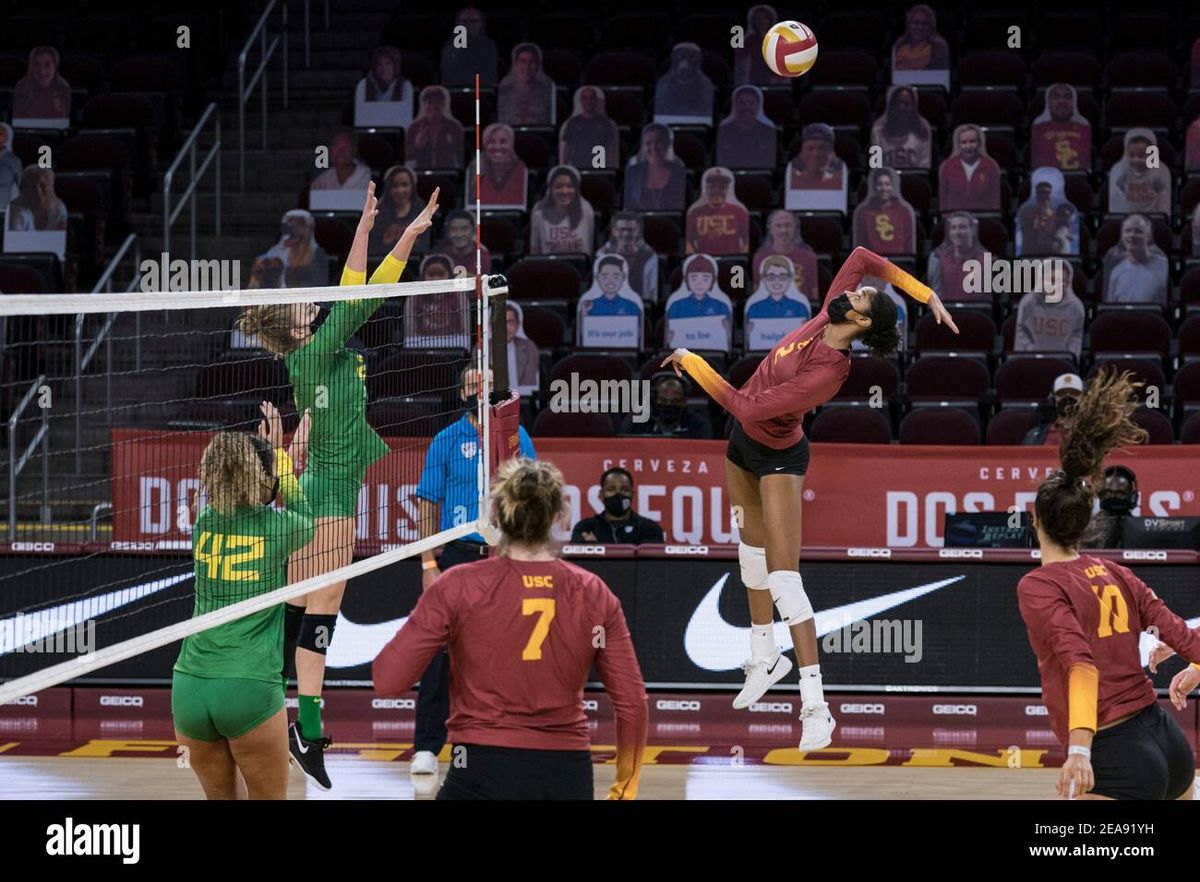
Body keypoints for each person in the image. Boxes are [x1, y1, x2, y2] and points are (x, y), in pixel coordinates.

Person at [661, 247, 956, 749]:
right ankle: (764, 656)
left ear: (861, 320)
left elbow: (745, 404)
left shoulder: (830, 370)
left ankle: (816, 707)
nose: (848, 290)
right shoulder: (827, 313)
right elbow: (865, 257)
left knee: (784, 579)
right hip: (740, 449)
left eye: (858, 296)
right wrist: (926, 295)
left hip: (779, 457)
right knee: (749, 560)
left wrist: (690, 360)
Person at [234, 183, 441, 789]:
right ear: (294, 329)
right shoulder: (312, 354)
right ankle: (295, 722)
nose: (314, 306)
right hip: (323, 494)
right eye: (303, 306)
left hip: (322, 486)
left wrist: (371, 225)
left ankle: (269, 712)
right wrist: (399, 237)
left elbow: (352, 293)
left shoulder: (316, 353)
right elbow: (364, 295)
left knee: (304, 609)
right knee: (316, 611)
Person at [375, 458, 647, 799]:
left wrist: (436, 621)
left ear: (495, 515)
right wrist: (624, 791)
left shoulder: (458, 585)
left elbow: (387, 680)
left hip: (478, 767)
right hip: (566, 772)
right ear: (560, 515)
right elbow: (633, 704)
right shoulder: (593, 591)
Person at [1017, 368, 1198, 800]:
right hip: (1171, 745)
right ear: (1085, 524)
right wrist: (1195, 667)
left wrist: (1079, 749)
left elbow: (1080, 664)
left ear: (1035, 520)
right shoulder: (1116, 571)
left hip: (1117, 751)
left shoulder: (1038, 585)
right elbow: (1181, 635)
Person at [172, 404, 312, 800]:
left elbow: (232, 500)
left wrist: (260, 460)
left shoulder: (203, 523)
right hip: (248, 686)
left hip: (190, 688)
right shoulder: (279, 528)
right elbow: (305, 517)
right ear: (260, 476)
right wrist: (281, 457)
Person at [408, 368, 538, 782]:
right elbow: (428, 506)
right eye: (469, 383)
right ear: (461, 391)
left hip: (503, 559)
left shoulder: (516, 437)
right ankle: (427, 747)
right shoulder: (445, 439)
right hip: (458, 557)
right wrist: (429, 564)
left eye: (484, 383)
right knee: (439, 655)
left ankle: (508, 740)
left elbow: (534, 501)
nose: (476, 389)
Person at [571, 466, 667, 542]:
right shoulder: (586, 528)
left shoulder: (650, 529)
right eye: (611, 489)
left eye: (624, 490)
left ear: (632, 494)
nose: (618, 494)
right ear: (601, 495)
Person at [1014, 261, 1085, 360]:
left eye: (1061, 281)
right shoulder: (1028, 303)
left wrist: (1069, 354)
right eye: (1052, 280)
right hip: (1031, 362)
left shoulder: (1076, 308)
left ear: (1067, 283)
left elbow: (1077, 335)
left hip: (1064, 364)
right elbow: (1021, 330)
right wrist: (1030, 350)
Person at [665, 254, 734, 352]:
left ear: (713, 280)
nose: (699, 283)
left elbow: (725, 340)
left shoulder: (721, 306)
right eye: (694, 278)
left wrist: (728, 333)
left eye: (705, 278)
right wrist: (669, 339)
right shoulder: (676, 306)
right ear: (686, 280)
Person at [744, 255, 812, 352]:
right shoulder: (754, 308)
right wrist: (748, 334)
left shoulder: (800, 307)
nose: (777, 282)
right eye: (771, 277)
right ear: (763, 279)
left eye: (782, 277)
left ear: (790, 279)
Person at [1102, 213, 1168, 307]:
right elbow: (1111, 310)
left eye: (1138, 231)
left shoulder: (1164, 266)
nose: (1132, 235)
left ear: (1148, 236)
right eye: (1127, 231)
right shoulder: (1116, 272)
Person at [577, 254, 643, 348]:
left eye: (616, 276)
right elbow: (584, 337)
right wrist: (584, 315)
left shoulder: (632, 306)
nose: (610, 281)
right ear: (597, 277)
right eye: (605, 276)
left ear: (623, 277)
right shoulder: (588, 306)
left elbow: (637, 336)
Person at [529, 165, 595, 256]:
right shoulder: (538, 212)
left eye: (570, 186)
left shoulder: (587, 210)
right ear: (550, 189)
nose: (564, 191)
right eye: (559, 186)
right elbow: (535, 251)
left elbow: (589, 248)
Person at [751, 210, 818, 298]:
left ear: (796, 228)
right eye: (778, 226)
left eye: (788, 225)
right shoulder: (760, 258)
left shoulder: (809, 257)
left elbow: (814, 293)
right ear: (770, 228)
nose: (783, 230)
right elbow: (756, 295)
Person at [926, 212, 990, 302]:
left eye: (962, 227)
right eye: (953, 228)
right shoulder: (937, 258)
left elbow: (986, 297)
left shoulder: (985, 259)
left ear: (973, 231)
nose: (957, 232)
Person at [371, 166, 433, 257]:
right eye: (395, 186)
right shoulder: (377, 212)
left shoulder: (422, 211)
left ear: (412, 186)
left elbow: (424, 246)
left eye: (404, 185)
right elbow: (373, 248)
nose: (400, 190)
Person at [623, 123, 687, 212]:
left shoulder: (680, 173)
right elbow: (628, 209)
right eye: (648, 143)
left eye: (659, 142)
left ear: (668, 144)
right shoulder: (632, 173)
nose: (654, 148)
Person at [685, 167, 749, 255]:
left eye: (722, 187)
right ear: (706, 188)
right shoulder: (694, 213)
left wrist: (739, 260)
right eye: (712, 187)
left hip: (732, 263)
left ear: (727, 190)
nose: (717, 191)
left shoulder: (740, 212)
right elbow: (688, 242)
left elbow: (747, 242)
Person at [1108, 128, 1171, 218]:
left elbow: (1162, 200)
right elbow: (1117, 201)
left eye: (1141, 156)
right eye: (1132, 155)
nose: (1136, 160)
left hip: (1152, 216)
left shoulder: (1160, 173)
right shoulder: (1120, 171)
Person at [785, 123, 847, 212]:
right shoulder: (793, 179)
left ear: (832, 154)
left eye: (822, 148)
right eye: (810, 148)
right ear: (801, 154)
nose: (816, 154)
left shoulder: (838, 181)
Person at [852, 168, 916, 255]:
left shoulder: (904, 211)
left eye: (887, 184)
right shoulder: (864, 212)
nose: (884, 188)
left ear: (892, 186)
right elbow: (861, 242)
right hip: (873, 263)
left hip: (898, 263)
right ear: (874, 187)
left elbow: (908, 242)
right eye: (879, 184)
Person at [938, 124, 1001, 212]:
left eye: (972, 141)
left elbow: (995, 201)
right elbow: (943, 202)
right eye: (964, 142)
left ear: (979, 143)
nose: (968, 146)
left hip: (983, 218)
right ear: (958, 145)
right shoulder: (947, 166)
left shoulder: (991, 166)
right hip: (956, 220)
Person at [1017, 167, 1079, 256]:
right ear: (1037, 193)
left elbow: (1070, 235)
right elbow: (1033, 227)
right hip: (1032, 251)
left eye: (1047, 193)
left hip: (1051, 249)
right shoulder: (1026, 211)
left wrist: (1064, 225)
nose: (1044, 196)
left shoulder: (1055, 213)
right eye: (1042, 193)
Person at [597, 213, 658, 302]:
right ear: (614, 231)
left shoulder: (650, 258)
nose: (626, 234)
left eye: (631, 230)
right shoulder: (601, 256)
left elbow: (653, 293)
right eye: (621, 229)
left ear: (638, 231)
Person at [1030, 83, 1091, 172]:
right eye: (1056, 96)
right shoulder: (1038, 128)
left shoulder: (1084, 127)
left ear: (1074, 101)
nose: (1062, 101)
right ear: (1048, 102)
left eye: (1067, 97)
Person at [261, 210, 329, 289]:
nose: (295, 227)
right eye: (291, 224)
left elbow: (319, 283)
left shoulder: (317, 253)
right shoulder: (274, 252)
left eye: (300, 224)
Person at [467, 123, 528, 210]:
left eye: (503, 142)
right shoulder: (474, 169)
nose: (497, 147)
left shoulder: (521, 170)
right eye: (491, 142)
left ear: (512, 145)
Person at [716, 85, 777, 170]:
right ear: (735, 105)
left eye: (751, 103)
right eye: (741, 103)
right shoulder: (723, 131)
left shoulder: (769, 132)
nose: (746, 107)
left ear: (758, 105)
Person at [870, 86, 932, 170]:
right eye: (897, 103)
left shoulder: (923, 133)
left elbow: (924, 170)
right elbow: (875, 167)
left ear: (913, 107)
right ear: (890, 106)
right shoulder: (877, 133)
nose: (901, 107)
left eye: (906, 103)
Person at [559, 86, 619, 171]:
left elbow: (611, 149)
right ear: (581, 101)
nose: (588, 101)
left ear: (596, 101)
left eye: (591, 98)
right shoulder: (573, 122)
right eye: (585, 98)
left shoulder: (605, 123)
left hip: (599, 167)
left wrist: (611, 168)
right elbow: (567, 148)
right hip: (578, 167)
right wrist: (564, 169)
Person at [654, 43, 715, 124]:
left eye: (691, 57)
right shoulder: (663, 84)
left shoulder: (706, 85)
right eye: (680, 56)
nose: (685, 62)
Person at [406, 85, 464, 170]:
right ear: (423, 104)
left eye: (437, 102)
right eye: (429, 102)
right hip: (422, 174)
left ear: (444, 103)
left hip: (447, 173)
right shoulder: (414, 127)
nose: (433, 106)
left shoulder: (454, 127)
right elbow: (406, 157)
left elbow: (461, 156)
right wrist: (417, 145)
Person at [497, 43, 555, 127]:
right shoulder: (504, 90)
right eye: (523, 61)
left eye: (532, 62)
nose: (527, 67)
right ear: (515, 64)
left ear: (538, 65)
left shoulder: (547, 91)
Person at [440, 5, 499, 87]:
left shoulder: (489, 47)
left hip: (482, 93)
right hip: (456, 93)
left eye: (474, 21)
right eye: (464, 21)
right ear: (457, 23)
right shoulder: (450, 47)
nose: (469, 25)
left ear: (481, 23)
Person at [353, 45, 413, 126]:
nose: (383, 68)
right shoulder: (364, 86)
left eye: (388, 64)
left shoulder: (405, 86)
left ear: (395, 66)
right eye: (379, 64)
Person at [891, 4, 950, 85]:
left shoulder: (939, 47)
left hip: (930, 91)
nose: (920, 27)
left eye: (925, 23)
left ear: (931, 26)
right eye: (916, 23)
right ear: (909, 25)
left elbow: (939, 81)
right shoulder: (899, 45)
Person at [1083, 465, 1139, 549]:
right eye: (1108, 493)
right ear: (1100, 494)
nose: (1113, 497)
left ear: (1132, 496)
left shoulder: (1139, 529)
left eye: (1120, 493)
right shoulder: (1087, 528)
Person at [733, 5, 789, 86]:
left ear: (770, 20)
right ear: (753, 21)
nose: (761, 21)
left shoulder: (778, 40)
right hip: (753, 79)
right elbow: (741, 63)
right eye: (758, 18)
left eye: (765, 18)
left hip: (775, 81)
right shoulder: (748, 40)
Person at [12, 45, 71, 122]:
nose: (42, 71)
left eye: (47, 65)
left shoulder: (63, 87)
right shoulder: (22, 86)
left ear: (55, 66)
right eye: (36, 65)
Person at [1022, 373, 1083, 446]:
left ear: (1084, 398)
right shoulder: (1033, 436)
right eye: (1062, 393)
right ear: (1053, 399)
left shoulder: (1096, 433)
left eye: (1074, 393)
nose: (1067, 396)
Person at [6, 166, 67, 231]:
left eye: (43, 185)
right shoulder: (15, 208)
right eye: (32, 186)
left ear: (50, 186)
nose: (37, 191)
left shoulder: (60, 208)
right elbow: (16, 239)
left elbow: (60, 238)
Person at [432, 209, 492, 274]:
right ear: (448, 232)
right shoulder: (439, 254)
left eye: (464, 228)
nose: (459, 234)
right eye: (453, 229)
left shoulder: (481, 254)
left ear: (473, 231)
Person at [0, 123, 22, 212]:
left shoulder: (14, 161)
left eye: (0, 134)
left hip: (2, 208)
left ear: (6, 138)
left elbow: (21, 185)